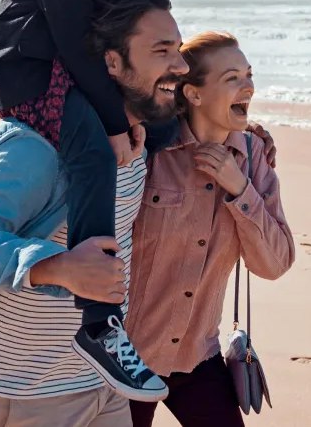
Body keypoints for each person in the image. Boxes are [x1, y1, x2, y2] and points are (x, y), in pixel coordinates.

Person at [0, 0, 186, 426]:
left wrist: (244, 140)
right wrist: (57, 267)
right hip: (19, 391)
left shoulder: (137, 139)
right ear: (113, 63)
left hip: (100, 382)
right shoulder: (38, 148)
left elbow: (200, 113)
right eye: (162, 50)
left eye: (178, 48)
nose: (181, 64)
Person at [0, 0, 164, 397]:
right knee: (93, 149)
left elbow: (129, 25)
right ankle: (100, 325)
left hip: (87, 59)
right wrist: (115, 119)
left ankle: (157, 274)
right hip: (35, 67)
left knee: (169, 120)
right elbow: (66, 34)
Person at [126, 32, 296, 427]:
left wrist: (241, 188)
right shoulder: (146, 149)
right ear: (195, 94)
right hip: (127, 360)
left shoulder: (253, 158)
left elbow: (275, 263)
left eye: (249, 74)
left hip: (196, 356)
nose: (248, 85)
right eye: (232, 77)